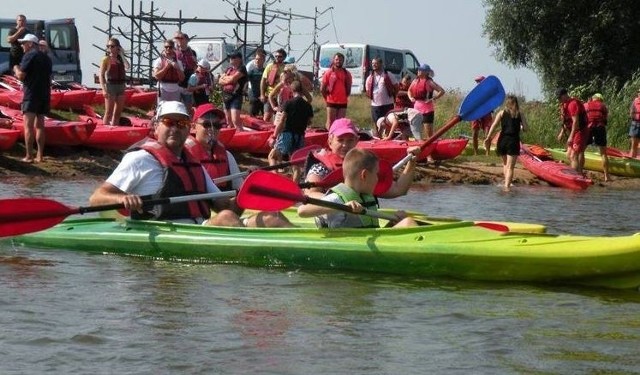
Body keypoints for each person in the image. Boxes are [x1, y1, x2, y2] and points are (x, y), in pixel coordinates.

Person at [89, 101, 241, 226]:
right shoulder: (139, 159)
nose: (175, 128)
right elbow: (96, 198)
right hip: (163, 231)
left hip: (199, 228)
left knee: (264, 219)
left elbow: (226, 207)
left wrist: (249, 193)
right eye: (168, 122)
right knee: (226, 218)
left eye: (181, 123)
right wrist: (121, 199)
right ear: (156, 126)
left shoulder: (194, 165)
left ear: (188, 128)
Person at [183, 103, 294, 228]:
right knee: (227, 217)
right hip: (200, 222)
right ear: (193, 126)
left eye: (217, 125)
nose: (212, 129)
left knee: (273, 217)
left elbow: (234, 209)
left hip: (227, 218)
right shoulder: (184, 157)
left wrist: (249, 186)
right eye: (207, 125)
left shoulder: (227, 156)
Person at [298, 148, 417, 229]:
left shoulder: (364, 193)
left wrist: (393, 222)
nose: (377, 179)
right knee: (408, 223)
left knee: (404, 220)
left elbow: (372, 231)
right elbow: (302, 211)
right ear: (364, 175)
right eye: (376, 174)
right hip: (346, 247)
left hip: (366, 241)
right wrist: (343, 206)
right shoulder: (337, 199)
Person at [304, 118, 419, 200]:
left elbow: (399, 189)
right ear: (330, 141)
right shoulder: (320, 168)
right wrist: (341, 200)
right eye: (340, 140)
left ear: (357, 141)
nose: (345, 145)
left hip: (361, 222)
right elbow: (310, 194)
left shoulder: (365, 168)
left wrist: (412, 162)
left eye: (350, 140)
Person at [13, 33, 52, 164]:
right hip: (44, 94)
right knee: (40, 126)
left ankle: (29, 156)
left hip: (31, 95)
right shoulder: (46, 58)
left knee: (28, 126)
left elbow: (21, 76)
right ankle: (40, 156)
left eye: (24, 43)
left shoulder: (29, 55)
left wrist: (16, 68)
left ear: (30, 44)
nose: (22, 46)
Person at [268, 80, 314, 182]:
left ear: (291, 90)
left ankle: (274, 179)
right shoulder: (308, 106)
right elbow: (309, 122)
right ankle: (295, 186)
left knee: (272, 156)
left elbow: (282, 120)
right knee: (295, 164)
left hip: (287, 134)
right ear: (302, 91)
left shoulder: (288, 103)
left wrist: (274, 136)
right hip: (300, 136)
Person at [484, 95, 527, 191]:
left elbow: (494, 125)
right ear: (516, 103)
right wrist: (521, 126)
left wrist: (488, 137)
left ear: (507, 103)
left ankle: (507, 182)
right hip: (513, 141)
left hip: (502, 140)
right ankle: (507, 187)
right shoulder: (520, 114)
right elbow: (526, 129)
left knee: (505, 164)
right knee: (510, 167)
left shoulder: (501, 113)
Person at [408, 64, 445, 139]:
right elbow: (409, 90)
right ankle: (418, 147)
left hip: (427, 110)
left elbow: (441, 91)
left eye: (420, 70)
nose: (418, 71)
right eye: (418, 70)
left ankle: (431, 146)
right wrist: (411, 97)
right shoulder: (415, 81)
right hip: (416, 110)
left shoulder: (429, 82)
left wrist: (433, 98)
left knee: (429, 134)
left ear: (426, 72)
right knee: (417, 132)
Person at [556, 88, 588, 174]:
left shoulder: (572, 104)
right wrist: (561, 133)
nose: (559, 100)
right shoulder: (564, 105)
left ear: (565, 95)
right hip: (574, 132)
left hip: (580, 131)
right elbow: (566, 122)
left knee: (574, 155)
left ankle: (576, 176)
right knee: (568, 155)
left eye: (559, 97)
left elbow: (575, 122)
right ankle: (579, 173)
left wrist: (570, 136)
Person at [99, 37, 129, 126]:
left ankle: (115, 128)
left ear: (117, 47)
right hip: (110, 86)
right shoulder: (106, 59)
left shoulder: (120, 59)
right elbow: (101, 75)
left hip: (120, 86)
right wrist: (103, 89)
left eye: (112, 46)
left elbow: (127, 66)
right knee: (109, 112)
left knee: (117, 114)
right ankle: (105, 129)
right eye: (108, 46)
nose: (110, 49)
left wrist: (122, 55)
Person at [365, 57, 397, 137]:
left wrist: (394, 97)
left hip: (387, 104)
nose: (374, 65)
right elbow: (367, 91)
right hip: (375, 105)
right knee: (377, 125)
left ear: (381, 64)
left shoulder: (388, 75)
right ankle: (379, 139)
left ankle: (388, 138)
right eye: (372, 64)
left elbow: (396, 87)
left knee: (388, 123)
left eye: (376, 63)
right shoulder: (369, 77)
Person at [319, 53, 352, 130]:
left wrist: (345, 96)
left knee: (340, 123)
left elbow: (348, 88)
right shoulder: (328, 72)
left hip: (343, 101)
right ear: (333, 60)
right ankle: (329, 138)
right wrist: (327, 98)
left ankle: (337, 139)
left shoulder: (347, 73)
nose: (338, 61)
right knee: (330, 122)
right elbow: (322, 88)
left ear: (343, 61)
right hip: (331, 101)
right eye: (337, 59)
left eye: (340, 60)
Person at [218, 51, 247, 131]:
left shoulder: (242, 69)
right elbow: (220, 80)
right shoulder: (229, 69)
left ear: (239, 59)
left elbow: (233, 79)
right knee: (228, 119)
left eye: (233, 57)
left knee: (235, 120)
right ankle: (231, 135)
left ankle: (241, 135)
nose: (231, 59)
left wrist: (228, 78)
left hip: (236, 96)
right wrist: (228, 79)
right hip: (226, 95)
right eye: (230, 57)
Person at [585, 93, 610, 181]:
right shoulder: (603, 106)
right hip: (600, 128)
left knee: (581, 151)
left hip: (589, 128)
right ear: (600, 99)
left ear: (593, 99)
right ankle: (607, 176)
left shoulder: (587, 104)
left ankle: (579, 172)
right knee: (603, 153)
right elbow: (606, 118)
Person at [260, 48, 287, 122]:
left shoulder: (286, 68)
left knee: (280, 117)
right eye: (276, 56)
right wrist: (262, 94)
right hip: (270, 94)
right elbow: (263, 80)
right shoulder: (270, 66)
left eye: (280, 56)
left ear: (284, 57)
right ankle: (264, 131)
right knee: (267, 116)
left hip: (281, 96)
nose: (277, 58)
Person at [174, 32, 198, 111]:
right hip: (177, 82)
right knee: (176, 105)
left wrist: (194, 81)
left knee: (188, 106)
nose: (179, 40)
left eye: (181, 38)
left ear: (187, 40)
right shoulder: (174, 52)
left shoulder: (192, 52)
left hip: (188, 82)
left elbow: (195, 67)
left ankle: (187, 120)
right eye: (177, 38)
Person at [470, 76, 494, 155]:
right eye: (477, 82)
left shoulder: (489, 92)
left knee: (487, 133)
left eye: (479, 81)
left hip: (486, 113)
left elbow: (492, 103)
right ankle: (475, 152)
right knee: (474, 133)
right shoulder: (474, 92)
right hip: (476, 113)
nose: (478, 83)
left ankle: (487, 152)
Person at [245, 48, 266, 117]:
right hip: (253, 92)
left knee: (264, 112)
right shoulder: (250, 68)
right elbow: (245, 79)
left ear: (263, 60)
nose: (257, 61)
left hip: (263, 93)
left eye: (259, 59)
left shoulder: (265, 69)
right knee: (253, 109)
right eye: (256, 59)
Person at [629, 89, 640, 158]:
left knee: (636, 146)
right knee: (633, 145)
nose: (639, 93)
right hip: (635, 124)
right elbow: (631, 112)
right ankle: (632, 161)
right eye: (639, 92)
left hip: (636, 124)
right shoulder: (635, 101)